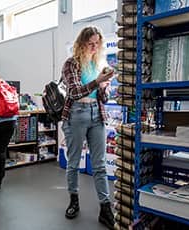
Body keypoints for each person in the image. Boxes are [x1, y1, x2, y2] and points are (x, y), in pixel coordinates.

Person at [60, 26, 115, 229]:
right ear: (81, 43)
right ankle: (74, 201)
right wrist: (96, 81)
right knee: (73, 162)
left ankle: (105, 208)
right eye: (90, 43)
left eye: (97, 43)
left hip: (96, 114)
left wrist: (104, 88)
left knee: (99, 164)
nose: (94, 47)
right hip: (76, 114)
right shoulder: (71, 64)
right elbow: (74, 92)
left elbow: (104, 98)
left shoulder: (97, 63)